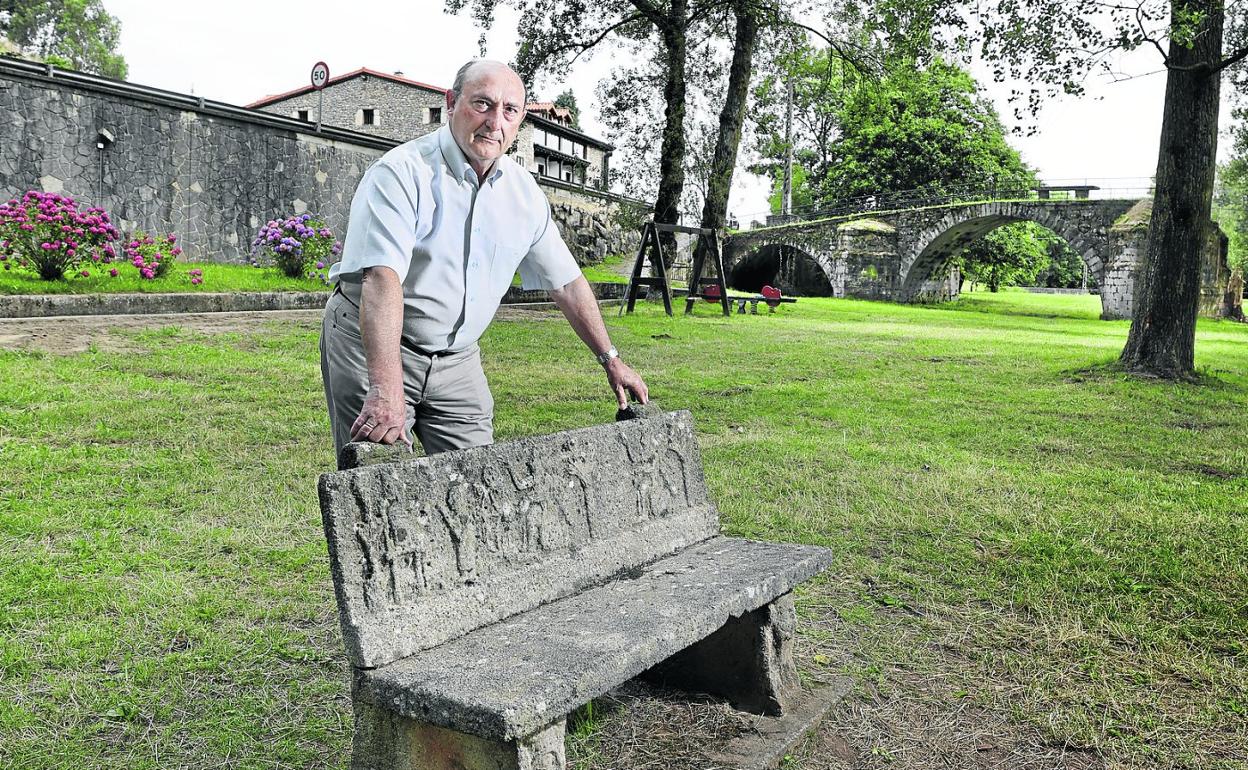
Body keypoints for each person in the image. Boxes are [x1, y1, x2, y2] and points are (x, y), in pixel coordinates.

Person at [320, 59, 648, 462]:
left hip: (457, 360)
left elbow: (566, 283)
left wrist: (612, 360)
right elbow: (381, 278)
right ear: (451, 103)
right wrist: (385, 388)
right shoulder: (401, 173)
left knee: (477, 481)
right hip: (374, 344)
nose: (495, 122)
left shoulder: (523, 194)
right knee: (376, 477)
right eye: (482, 104)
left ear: (520, 120)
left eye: (509, 110)